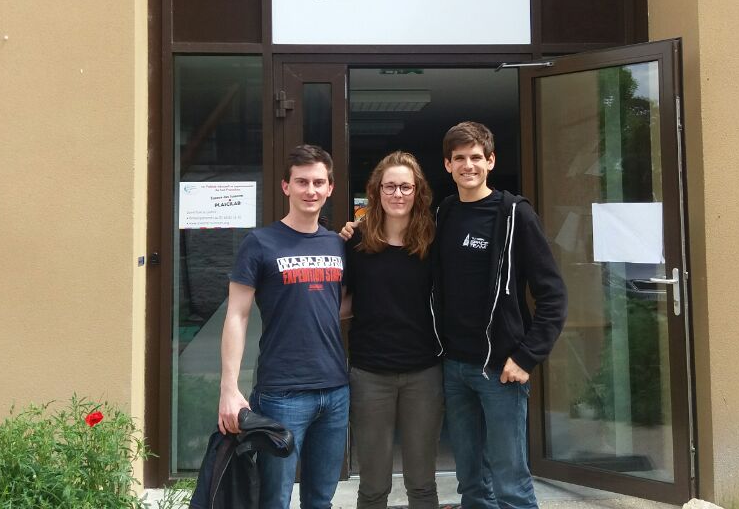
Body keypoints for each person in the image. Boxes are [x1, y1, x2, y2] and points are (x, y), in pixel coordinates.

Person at [434, 121, 566, 509]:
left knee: (510, 482)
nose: (468, 165)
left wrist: (526, 356)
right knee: (471, 480)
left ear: (491, 161)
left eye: (476, 157)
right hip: (454, 365)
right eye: (460, 158)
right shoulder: (445, 213)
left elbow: (553, 295)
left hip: (501, 368)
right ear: (448, 165)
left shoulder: (515, 215)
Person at [218, 144, 349, 509]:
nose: (311, 190)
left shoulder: (337, 244)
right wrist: (229, 388)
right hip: (282, 393)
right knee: (274, 500)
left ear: (330, 188)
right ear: (286, 186)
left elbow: (337, 304)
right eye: (302, 182)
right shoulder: (260, 243)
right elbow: (237, 315)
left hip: (335, 390)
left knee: (321, 500)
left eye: (318, 182)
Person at [343, 151, 443, 509]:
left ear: (418, 192)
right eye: (389, 186)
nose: (397, 194)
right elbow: (341, 301)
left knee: (422, 481)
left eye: (405, 187)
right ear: (376, 191)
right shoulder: (355, 242)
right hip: (370, 373)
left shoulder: (433, 241)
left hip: (424, 372)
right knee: (373, 483)